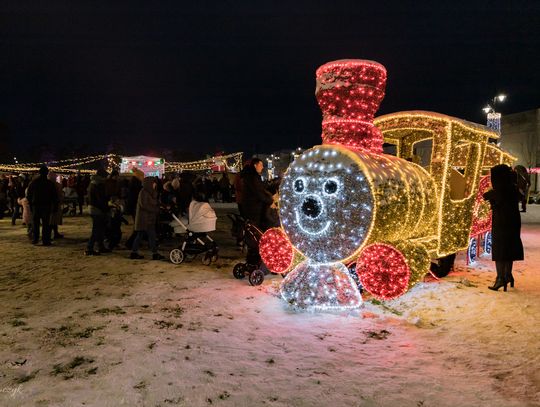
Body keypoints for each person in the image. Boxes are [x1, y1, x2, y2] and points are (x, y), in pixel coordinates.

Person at [483, 164, 524, 291]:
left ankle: (500, 278)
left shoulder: (498, 191)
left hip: (501, 224)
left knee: (500, 251)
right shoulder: (513, 189)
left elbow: (485, 196)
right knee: (509, 250)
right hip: (513, 223)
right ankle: (508, 275)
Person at [130, 177, 164, 260]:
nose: (155, 184)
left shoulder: (152, 192)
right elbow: (144, 205)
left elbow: (155, 202)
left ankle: (135, 252)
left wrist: (161, 206)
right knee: (144, 235)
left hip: (150, 218)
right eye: (153, 183)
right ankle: (152, 253)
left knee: (148, 235)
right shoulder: (143, 192)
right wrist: (156, 209)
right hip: (143, 218)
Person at [26, 166, 58, 246]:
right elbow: (54, 196)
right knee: (45, 224)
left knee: (36, 223)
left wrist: (30, 204)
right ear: (46, 173)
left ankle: (35, 239)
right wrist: (55, 206)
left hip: (36, 205)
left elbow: (28, 195)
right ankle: (45, 240)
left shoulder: (33, 183)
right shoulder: (49, 183)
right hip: (45, 205)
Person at [240, 158, 274, 231]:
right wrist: (270, 200)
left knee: (253, 226)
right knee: (255, 227)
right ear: (255, 165)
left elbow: (261, 188)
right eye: (261, 165)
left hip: (251, 205)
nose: (262, 167)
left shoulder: (252, 176)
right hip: (253, 206)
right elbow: (258, 192)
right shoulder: (253, 177)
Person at [86, 168, 110, 255]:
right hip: (97, 209)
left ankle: (100, 246)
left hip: (94, 208)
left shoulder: (94, 184)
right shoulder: (97, 185)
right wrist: (106, 208)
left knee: (100, 229)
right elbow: (100, 199)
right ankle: (89, 248)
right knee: (96, 229)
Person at [48, 172, 64, 239]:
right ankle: (50, 234)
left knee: (53, 220)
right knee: (52, 220)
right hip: (52, 204)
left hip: (54, 204)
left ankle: (55, 233)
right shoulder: (54, 185)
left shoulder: (55, 185)